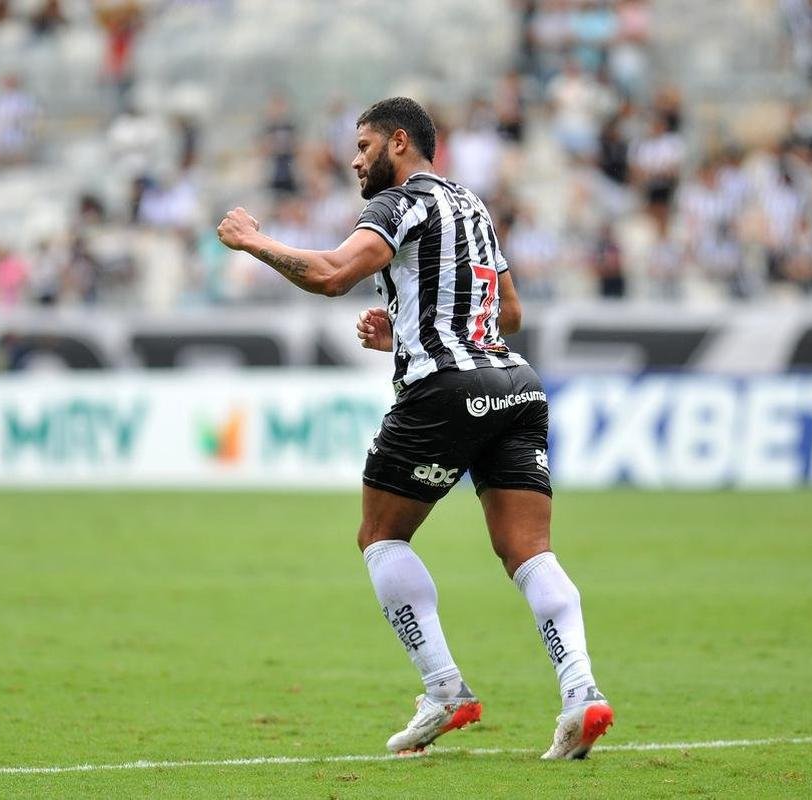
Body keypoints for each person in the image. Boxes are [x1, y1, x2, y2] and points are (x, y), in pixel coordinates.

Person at [217, 97, 613, 759]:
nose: (353, 161)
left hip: (444, 390)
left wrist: (252, 241)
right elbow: (510, 312)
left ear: (398, 142)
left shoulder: (398, 203)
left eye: (363, 146)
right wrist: (409, 331)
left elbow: (332, 275)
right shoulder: (473, 205)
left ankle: (444, 690)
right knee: (529, 552)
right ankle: (581, 693)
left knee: (379, 535)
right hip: (515, 385)